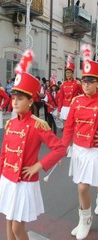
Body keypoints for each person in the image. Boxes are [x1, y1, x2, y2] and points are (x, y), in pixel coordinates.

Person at [0, 50, 66, 240]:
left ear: (31, 101)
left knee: (18, 227)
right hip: (8, 181)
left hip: (24, 183)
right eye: (13, 98)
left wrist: (39, 165)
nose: (15, 102)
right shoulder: (10, 124)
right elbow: (4, 156)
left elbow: (60, 148)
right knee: (9, 222)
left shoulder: (37, 125)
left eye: (20, 98)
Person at [62, 44, 98, 240]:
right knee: (82, 186)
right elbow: (68, 127)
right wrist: (62, 148)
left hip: (95, 149)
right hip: (79, 149)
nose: (86, 85)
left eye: (91, 81)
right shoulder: (76, 101)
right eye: (84, 81)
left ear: (97, 83)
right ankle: (85, 219)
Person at [57, 54, 82, 124]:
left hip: (73, 106)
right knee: (65, 126)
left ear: (72, 73)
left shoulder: (77, 83)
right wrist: (59, 110)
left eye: (69, 73)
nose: (67, 74)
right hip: (65, 107)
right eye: (66, 73)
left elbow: (82, 94)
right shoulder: (63, 84)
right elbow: (61, 98)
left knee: (73, 126)